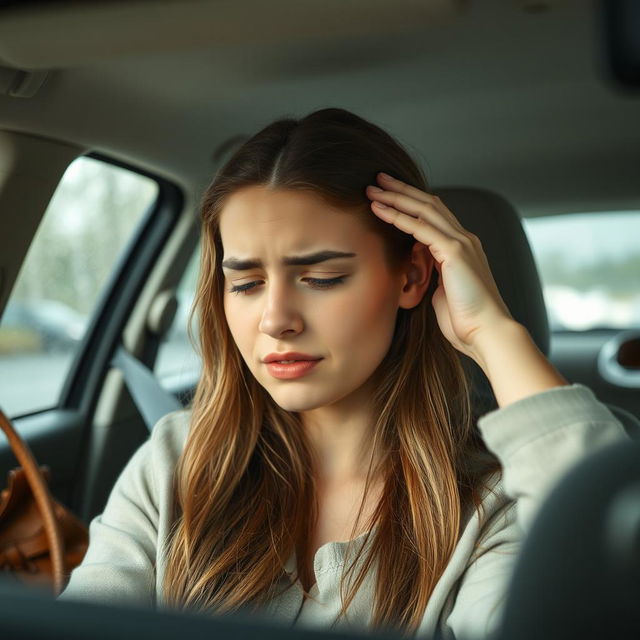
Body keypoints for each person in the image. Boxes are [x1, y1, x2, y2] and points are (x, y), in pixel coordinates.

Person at [57, 108, 627, 638]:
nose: (276, 320)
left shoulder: (497, 499)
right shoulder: (176, 464)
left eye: (322, 277)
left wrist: (495, 334)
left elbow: (608, 595)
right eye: (246, 284)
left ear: (412, 279)